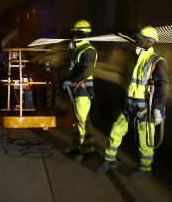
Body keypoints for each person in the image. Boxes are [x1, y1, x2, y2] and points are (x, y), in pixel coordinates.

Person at [96, 26, 169, 179]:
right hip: (127, 104)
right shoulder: (134, 59)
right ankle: (110, 159)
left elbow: (163, 86)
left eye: (140, 39)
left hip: (144, 107)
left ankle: (145, 168)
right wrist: (121, 100)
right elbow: (126, 82)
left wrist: (158, 108)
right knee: (116, 130)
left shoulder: (157, 61)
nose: (137, 41)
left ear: (149, 41)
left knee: (145, 138)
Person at [63, 20, 98, 162]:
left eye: (74, 33)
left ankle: (87, 150)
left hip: (82, 90)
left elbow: (85, 71)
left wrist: (70, 81)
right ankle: (76, 147)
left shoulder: (88, 50)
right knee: (76, 120)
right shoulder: (78, 48)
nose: (72, 35)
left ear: (79, 33)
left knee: (82, 121)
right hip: (76, 89)